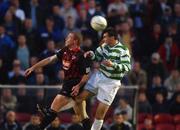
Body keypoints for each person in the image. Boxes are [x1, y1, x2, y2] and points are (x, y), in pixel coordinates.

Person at [25, 32, 91, 130]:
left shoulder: (81, 55)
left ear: (75, 41)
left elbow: (86, 76)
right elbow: (50, 59)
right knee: (82, 116)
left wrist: (78, 86)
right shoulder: (64, 50)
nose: (66, 39)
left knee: (52, 110)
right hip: (68, 84)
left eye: (69, 37)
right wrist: (33, 67)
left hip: (74, 86)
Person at [76, 27, 131, 130]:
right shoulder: (104, 46)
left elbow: (127, 67)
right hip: (100, 76)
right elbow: (96, 57)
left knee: (99, 114)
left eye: (105, 36)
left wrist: (113, 65)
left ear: (113, 37)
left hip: (111, 83)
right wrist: (91, 54)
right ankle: (85, 121)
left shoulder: (123, 50)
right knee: (78, 98)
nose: (103, 38)